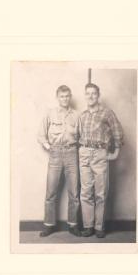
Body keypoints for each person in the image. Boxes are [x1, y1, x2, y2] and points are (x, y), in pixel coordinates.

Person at [78, 83, 124, 238]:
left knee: (100, 193)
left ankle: (99, 227)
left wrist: (115, 152)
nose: (90, 96)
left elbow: (117, 131)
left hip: (99, 153)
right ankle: (88, 226)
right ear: (85, 95)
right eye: (88, 93)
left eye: (94, 93)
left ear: (98, 95)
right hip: (84, 152)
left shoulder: (107, 113)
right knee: (85, 192)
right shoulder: (83, 115)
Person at [38, 85, 81, 237]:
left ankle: (73, 224)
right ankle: (49, 225)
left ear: (70, 97)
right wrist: (49, 147)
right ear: (58, 97)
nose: (65, 99)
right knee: (51, 192)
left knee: (74, 193)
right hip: (55, 153)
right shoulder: (50, 113)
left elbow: (81, 137)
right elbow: (41, 135)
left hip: (72, 153)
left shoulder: (77, 115)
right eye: (62, 96)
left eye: (67, 96)